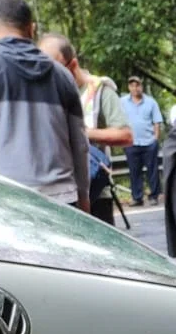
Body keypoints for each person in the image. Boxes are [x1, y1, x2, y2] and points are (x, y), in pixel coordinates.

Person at [0, 0, 89, 211]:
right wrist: (84, 196)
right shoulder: (63, 75)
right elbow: (80, 143)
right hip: (64, 198)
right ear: (31, 28)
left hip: (9, 198)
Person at [39, 33, 130, 224]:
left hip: (95, 189)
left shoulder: (99, 90)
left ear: (72, 65)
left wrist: (80, 132)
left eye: (55, 69)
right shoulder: (45, 95)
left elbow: (125, 135)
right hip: (60, 191)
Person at [122, 76, 164, 204]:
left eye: (137, 85)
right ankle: (137, 197)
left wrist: (155, 139)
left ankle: (154, 196)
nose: (135, 88)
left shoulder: (151, 102)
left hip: (148, 142)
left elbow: (157, 122)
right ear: (129, 87)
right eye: (132, 85)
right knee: (134, 172)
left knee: (152, 171)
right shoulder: (122, 102)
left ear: (141, 86)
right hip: (131, 142)